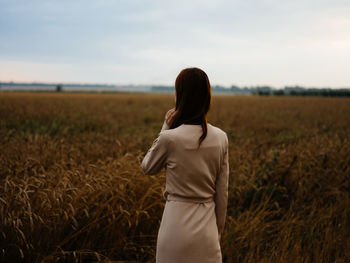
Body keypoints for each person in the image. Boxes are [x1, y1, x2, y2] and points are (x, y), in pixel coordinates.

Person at [141, 67, 229, 263]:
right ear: (207, 97)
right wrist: (216, 234)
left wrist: (165, 127)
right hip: (207, 231)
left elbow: (147, 166)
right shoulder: (221, 138)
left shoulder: (169, 138)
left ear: (180, 96)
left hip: (175, 228)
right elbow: (222, 194)